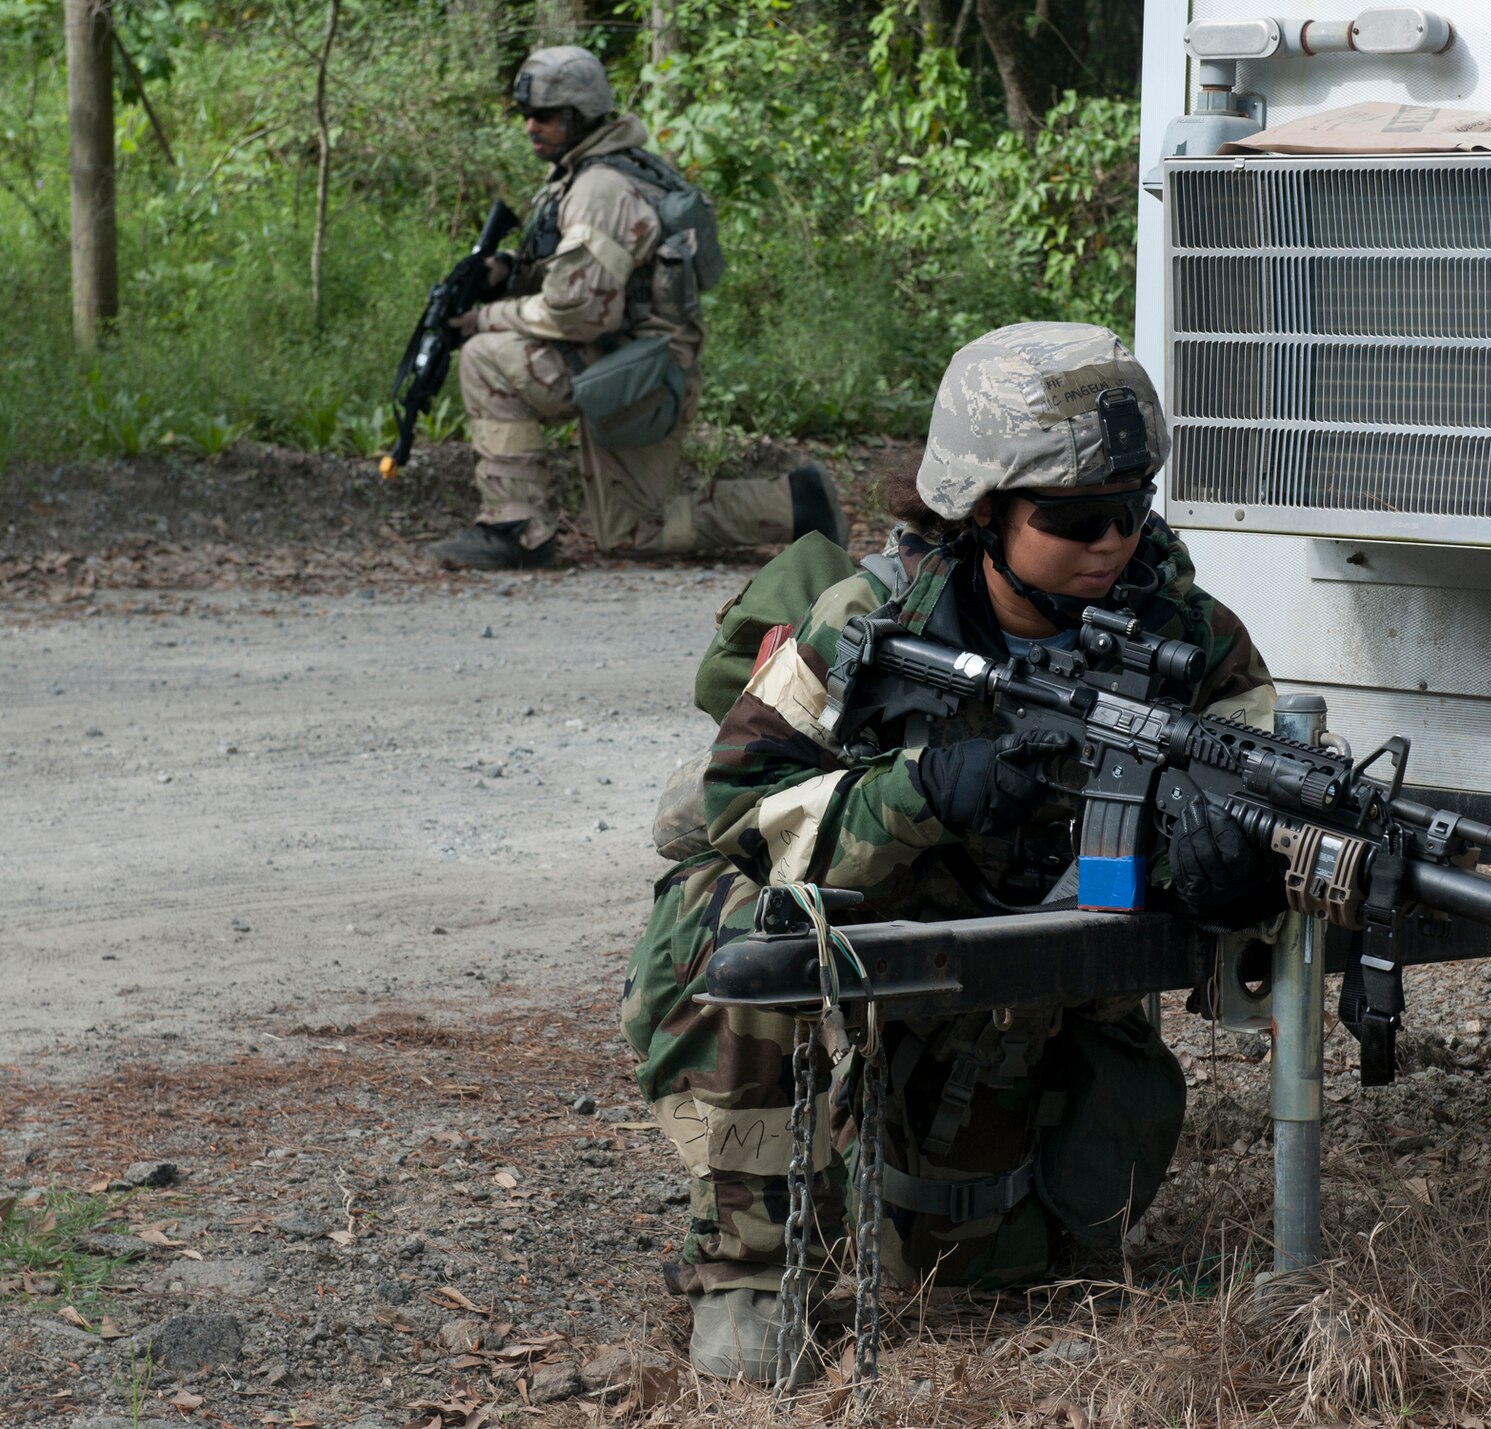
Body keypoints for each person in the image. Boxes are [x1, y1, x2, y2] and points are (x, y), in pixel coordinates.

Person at [620, 322, 1286, 1382]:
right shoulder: (864, 622)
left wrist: (1237, 866)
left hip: (1042, 977)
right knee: (732, 917)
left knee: (976, 1265)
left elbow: (1276, 776)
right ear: (979, 511)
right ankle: (747, 1268)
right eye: (1073, 518)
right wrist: (916, 791)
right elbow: (736, 805)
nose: (1111, 541)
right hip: (888, 931)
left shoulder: (1187, 634)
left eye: (1131, 507)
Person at [429, 46, 846, 570]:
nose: (531, 126)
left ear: (578, 117)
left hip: (642, 373)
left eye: (545, 116)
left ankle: (516, 528)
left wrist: (482, 319)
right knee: (630, 534)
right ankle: (515, 523)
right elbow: (583, 273)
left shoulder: (600, 187)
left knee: (485, 355)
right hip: (626, 360)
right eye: (526, 115)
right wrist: (509, 269)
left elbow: (579, 312)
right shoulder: (590, 172)